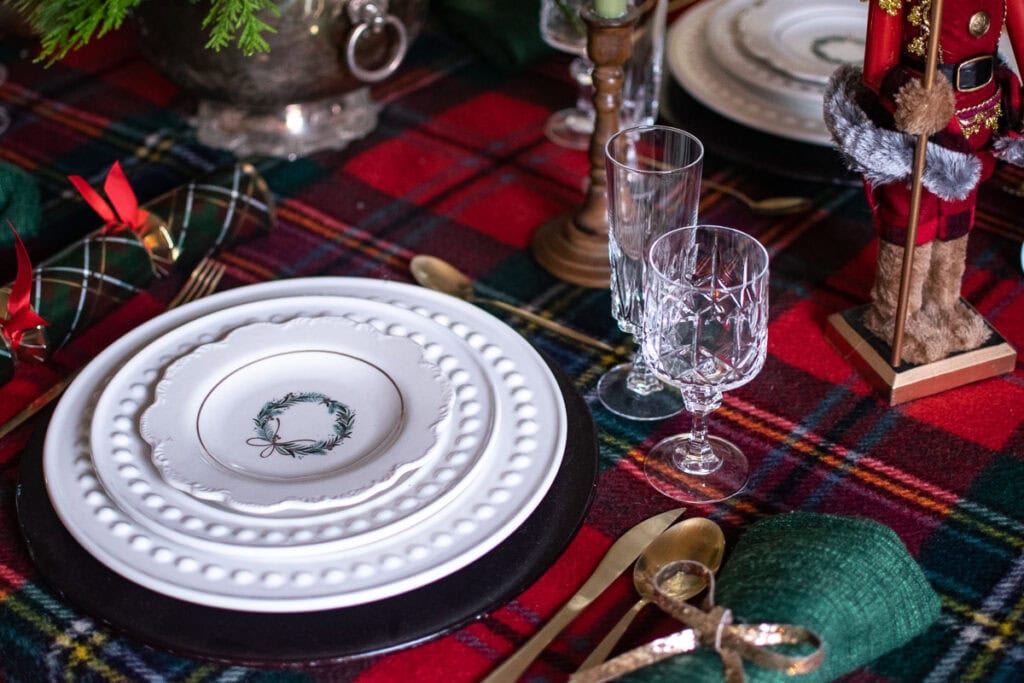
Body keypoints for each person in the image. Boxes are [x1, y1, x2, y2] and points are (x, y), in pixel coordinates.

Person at [824, 0, 1024, 364]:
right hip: (923, 116)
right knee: (910, 217)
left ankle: (944, 305)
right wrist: (910, 92)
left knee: (959, 212)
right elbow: (878, 68)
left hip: (980, 111)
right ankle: (894, 312)